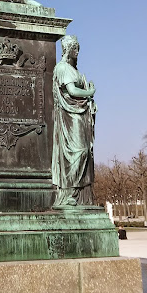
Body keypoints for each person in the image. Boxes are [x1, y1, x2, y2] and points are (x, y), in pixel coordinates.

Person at [51, 35, 97, 208]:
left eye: (78, 48)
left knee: (85, 151)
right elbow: (72, 91)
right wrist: (90, 92)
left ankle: (80, 195)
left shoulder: (73, 69)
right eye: (75, 48)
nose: (77, 51)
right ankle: (70, 192)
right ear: (68, 49)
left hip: (78, 113)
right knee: (80, 151)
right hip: (71, 116)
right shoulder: (63, 67)